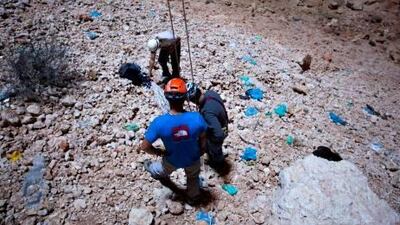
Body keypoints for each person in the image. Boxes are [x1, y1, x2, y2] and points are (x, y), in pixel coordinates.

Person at [140, 78, 207, 204]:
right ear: (185, 97)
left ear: (166, 98)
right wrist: (200, 151)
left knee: (160, 169)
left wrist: (158, 152)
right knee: (193, 177)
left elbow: (144, 147)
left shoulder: (159, 122)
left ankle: (153, 170)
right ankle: (193, 197)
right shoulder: (197, 118)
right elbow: (203, 142)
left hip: (171, 159)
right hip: (192, 158)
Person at [186, 83, 229, 171]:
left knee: (215, 150)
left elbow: (219, 135)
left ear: (193, 101)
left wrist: (212, 141)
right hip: (222, 121)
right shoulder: (210, 93)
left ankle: (219, 163)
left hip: (220, 130)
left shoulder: (207, 112)